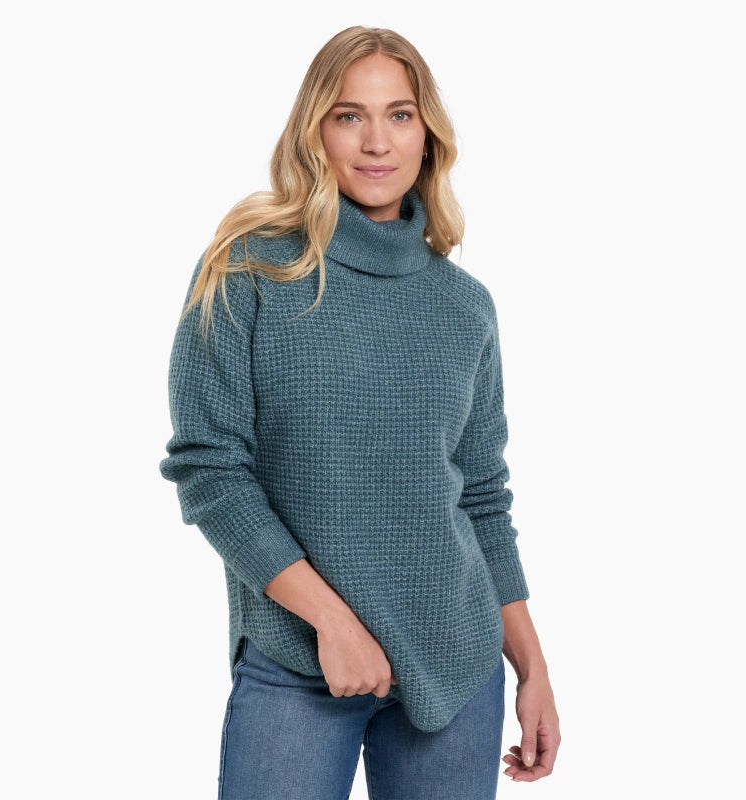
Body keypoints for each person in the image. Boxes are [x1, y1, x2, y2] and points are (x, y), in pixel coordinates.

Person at [159, 25, 560, 800]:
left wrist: (533, 666)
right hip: (297, 662)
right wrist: (334, 625)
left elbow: (481, 497)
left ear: (427, 133)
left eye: (399, 115)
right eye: (350, 116)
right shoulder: (249, 270)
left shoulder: (464, 306)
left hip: (456, 664)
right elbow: (211, 474)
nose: (378, 141)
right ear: (315, 131)